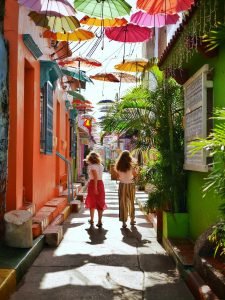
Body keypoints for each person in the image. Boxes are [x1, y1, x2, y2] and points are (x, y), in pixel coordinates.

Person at [115, 150, 138, 228]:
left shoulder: (118, 165)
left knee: (123, 203)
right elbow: (135, 174)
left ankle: (124, 222)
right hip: (131, 185)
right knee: (131, 202)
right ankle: (132, 220)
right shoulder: (132, 165)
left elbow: (118, 176)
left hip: (122, 185)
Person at [84, 151, 106, 227]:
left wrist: (95, 188)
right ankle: (99, 221)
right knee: (100, 202)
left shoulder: (92, 166)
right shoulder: (101, 165)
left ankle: (92, 219)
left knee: (92, 202)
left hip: (94, 184)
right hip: (101, 184)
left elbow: (95, 177)